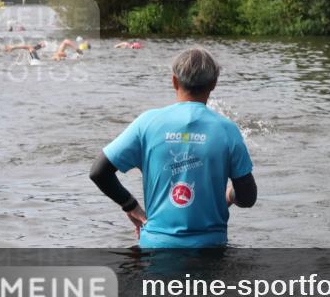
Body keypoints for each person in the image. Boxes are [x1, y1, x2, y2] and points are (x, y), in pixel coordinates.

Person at [89, 48, 257, 247]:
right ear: (214, 84)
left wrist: (130, 205)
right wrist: (229, 195)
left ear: (174, 81)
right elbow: (248, 198)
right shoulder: (227, 130)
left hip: (156, 246)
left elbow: (99, 172)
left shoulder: (147, 123)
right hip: (210, 249)